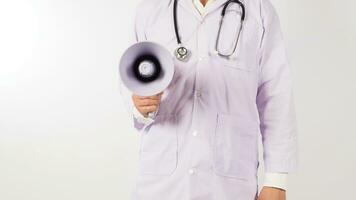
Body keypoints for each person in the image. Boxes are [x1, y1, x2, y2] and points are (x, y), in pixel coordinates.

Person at [123, 0, 297, 199]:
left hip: (229, 182)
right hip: (162, 184)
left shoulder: (259, 11)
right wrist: (139, 107)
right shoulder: (151, 10)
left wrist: (276, 181)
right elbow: (129, 82)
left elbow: (276, 96)